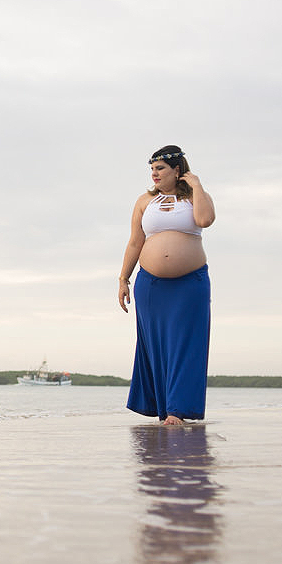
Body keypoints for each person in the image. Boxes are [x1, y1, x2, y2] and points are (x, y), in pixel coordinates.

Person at [118, 145, 216, 425]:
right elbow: (135, 241)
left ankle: (177, 411)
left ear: (177, 169)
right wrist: (123, 278)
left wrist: (196, 184)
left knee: (186, 344)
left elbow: (205, 220)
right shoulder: (143, 201)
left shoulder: (197, 196)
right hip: (150, 285)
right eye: (152, 169)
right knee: (156, 346)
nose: (154, 174)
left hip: (190, 283)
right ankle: (164, 409)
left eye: (160, 168)